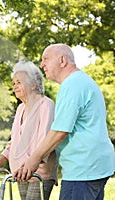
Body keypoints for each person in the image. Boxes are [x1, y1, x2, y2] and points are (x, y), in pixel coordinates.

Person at [13, 43, 115, 200]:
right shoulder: (80, 81)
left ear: (62, 60)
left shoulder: (72, 84)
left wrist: (33, 159)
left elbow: (60, 131)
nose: (42, 64)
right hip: (93, 167)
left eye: (46, 59)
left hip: (82, 170)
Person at [0, 61, 58, 200]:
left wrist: (25, 166)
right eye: (14, 83)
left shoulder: (46, 105)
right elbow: (13, 143)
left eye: (19, 82)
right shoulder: (20, 109)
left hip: (39, 173)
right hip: (20, 173)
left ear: (33, 84)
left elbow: (45, 142)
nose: (15, 86)